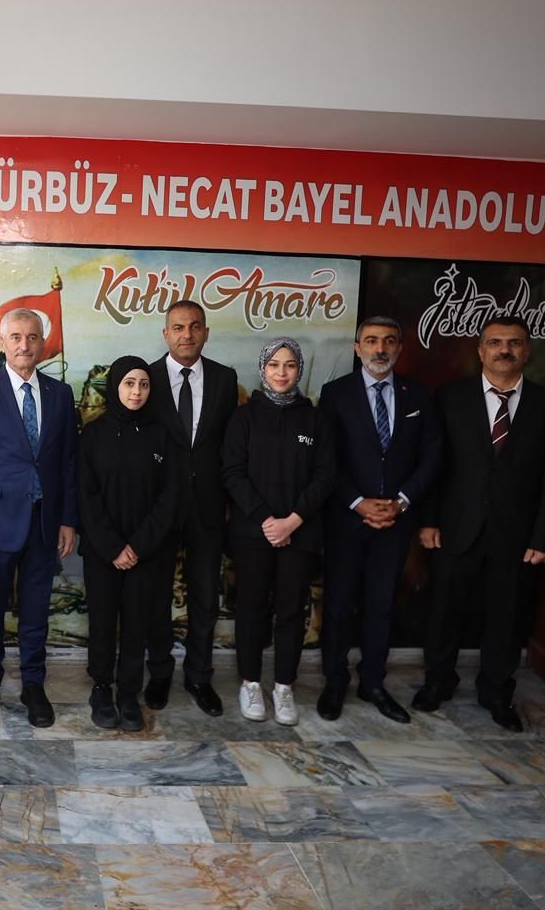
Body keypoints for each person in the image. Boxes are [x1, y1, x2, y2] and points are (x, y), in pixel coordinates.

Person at [415, 315, 545, 731]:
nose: (505, 350)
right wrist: (428, 520)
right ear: (480, 350)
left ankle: (497, 692)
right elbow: (433, 465)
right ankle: (437, 683)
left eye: (514, 343)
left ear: (527, 351)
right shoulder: (449, 398)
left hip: (517, 535)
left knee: (507, 618)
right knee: (443, 613)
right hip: (455, 528)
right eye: (496, 342)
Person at [317, 317, 442, 723]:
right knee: (338, 605)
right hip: (347, 519)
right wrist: (357, 502)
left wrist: (402, 501)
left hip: (396, 520)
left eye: (389, 341)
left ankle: (373, 682)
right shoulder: (335, 394)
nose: (380, 349)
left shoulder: (418, 395)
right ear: (357, 348)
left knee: (382, 605)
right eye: (371, 341)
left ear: (400, 348)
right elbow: (326, 458)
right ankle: (335, 681)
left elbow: (432, 456)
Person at [0, 308, 78, 729]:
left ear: (41, 342)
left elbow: (68, 462)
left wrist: (68, 519)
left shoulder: (61, 394)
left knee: (36, 611)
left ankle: (33, 685)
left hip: (45, 524)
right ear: (3, 343)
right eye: (16, 337)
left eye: (32, 337)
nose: (24, 345)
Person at [220, 337, 335, 725]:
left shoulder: (316, 419)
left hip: (300, 534)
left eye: (289, 365)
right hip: (254, 533)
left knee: (290, 611)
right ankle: (250, 682)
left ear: (298, 369)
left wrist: (293, 520)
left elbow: (325, 476)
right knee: (251, 608)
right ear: (263, 369)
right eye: (274, 365)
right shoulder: (244, 418)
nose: (281, 373)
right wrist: (267, 520)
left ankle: (284, 687)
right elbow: (232, 473)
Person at [78, 357, 182, 730]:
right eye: (129, 383)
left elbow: (170, 497)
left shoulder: (161, 435)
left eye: (144, 384)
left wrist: (138, 546)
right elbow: (86, 496)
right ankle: (101, 688)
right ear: (115, 386)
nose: (136, 392)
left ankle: (128, 692)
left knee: (138, 623)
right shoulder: (93, 435)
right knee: (103, 620)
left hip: (146, 553)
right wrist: (112, 547)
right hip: (102, 552)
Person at [146, 300, 239, 717]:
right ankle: (160, 671)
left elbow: (230, 447)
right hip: (159, 507)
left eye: (195, 326)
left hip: (208, 506)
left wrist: (229, 501)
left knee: (205, 597)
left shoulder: (224, 378)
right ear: (166, 333)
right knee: (157, 595)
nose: (187, 334)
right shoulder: (146, 378)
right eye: (179, 327)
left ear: (206, 332)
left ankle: (200, 675)